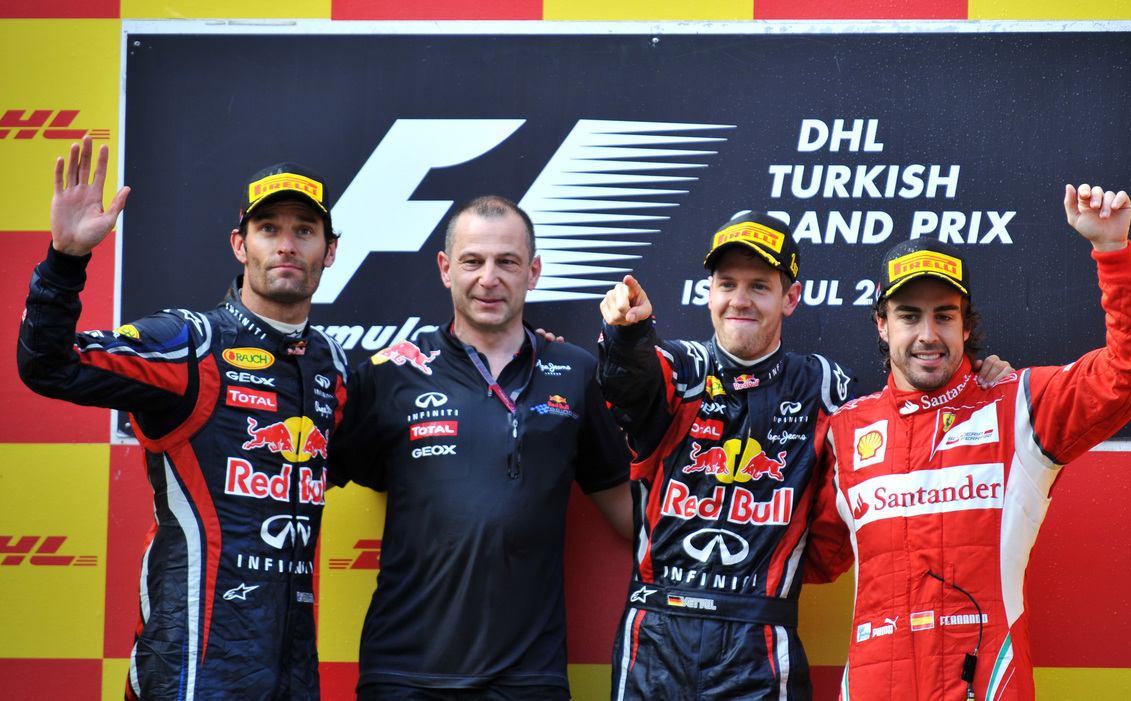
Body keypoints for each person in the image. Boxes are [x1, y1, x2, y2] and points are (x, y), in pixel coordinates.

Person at [597, 211, 1013, 701]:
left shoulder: (823, 387)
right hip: (656, 635)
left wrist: (974, 383)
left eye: (759, 286)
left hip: (758, 644)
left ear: (790, 297)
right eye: (727, 284)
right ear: (708, 291)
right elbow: (628, 384)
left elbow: (903, 414)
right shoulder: (679, 368)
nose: (740, 300)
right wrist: (627, 336)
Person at [803, 184, 1131, 700]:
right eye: (908, 316)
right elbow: (812, 558)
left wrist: (1112, 252)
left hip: (987, 684)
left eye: (944, 315)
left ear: (966, 325)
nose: (927, 334)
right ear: (882, 325)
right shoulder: (845, 431)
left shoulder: (1020, 406)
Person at [17, 136, 347, 701]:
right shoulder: (190, 343)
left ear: (329, 250)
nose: (286, 245)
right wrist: (65, 262)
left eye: (304, 230)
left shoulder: (331, 366)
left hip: (292, 669)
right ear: (240, 245)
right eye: (268, 228)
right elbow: (48, 365)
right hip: (189, 666)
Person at [327, 195, 632, 700]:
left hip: (528, 680)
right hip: (405, 675)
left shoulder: (575, 373)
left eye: (507, 262)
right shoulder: (389, 374)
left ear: (533, 272)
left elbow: (629, 514)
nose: (489, 279)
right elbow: (300, 485)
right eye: (472, 261)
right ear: (446, 269)